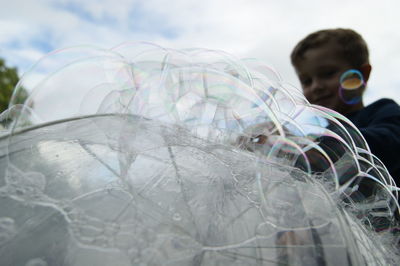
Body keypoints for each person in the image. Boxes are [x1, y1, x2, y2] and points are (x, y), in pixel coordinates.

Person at [290, 28, 400, 186]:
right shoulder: (321, 138)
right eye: (307, 81)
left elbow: (389, 143)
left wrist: (309, 148)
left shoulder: (383, 111)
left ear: (362, 73)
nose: (316, 87)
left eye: (328, 73)